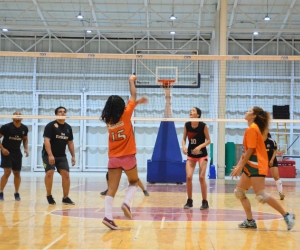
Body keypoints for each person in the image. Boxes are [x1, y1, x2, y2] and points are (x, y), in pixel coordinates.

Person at [230, 106, 295, 230]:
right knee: (239, 192)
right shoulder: (252, 129)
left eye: (248, 111)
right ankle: (250, 221)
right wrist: (240, 164)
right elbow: (246, 151)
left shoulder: (253, 129)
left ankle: (287, 215)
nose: (246, 112)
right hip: (250, 164)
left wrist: (241, 165)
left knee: (261, 195)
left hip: (256, 164)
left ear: (254, 116)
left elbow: (251, 150)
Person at [101, 74, 148, 230]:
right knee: (134, 181)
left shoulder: (108, 121)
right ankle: (127, 203)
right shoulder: (126, 114)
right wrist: (131, 80)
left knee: (111, 189)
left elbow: (133, 100)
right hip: (127, 156)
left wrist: (136, 102)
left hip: (113, 158)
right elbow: (133, 95)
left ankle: (108, 216)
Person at [42, 106, 76, 205]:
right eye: (60, 111)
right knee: (50, 173)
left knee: (66, 175)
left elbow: (70, 143)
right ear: (56, 114)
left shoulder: (68, 128)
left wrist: (73, 156)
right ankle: (49, 195)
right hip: (48, 154)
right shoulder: (50, 126)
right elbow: (46, 140)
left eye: (64, 112)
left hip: (61, 155)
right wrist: (50, 155)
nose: (62, 113)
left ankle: (65, 197)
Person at [182, 107, 211, 210]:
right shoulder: (187, 125)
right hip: (191, 154)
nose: (191, 111)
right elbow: (184, 139)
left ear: (198, 115)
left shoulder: (203, 126)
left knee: (201, 177)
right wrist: (184, 146)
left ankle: (205, 201)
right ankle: (189, 201)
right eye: (190, 110)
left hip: (202, 154)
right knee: (189, 177)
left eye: (193, 110)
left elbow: (208, 140)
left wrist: (199, 146)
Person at [0, 111, 29, 201]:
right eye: (16, 114)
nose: (18, 115)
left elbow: (25, 139)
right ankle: (0, 192)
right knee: (7, 172)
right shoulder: (6, 127)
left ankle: (16, 193)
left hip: (17, 152)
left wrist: (26, 148)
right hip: (6, 152)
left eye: (20, 114)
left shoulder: (24, 128)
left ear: (22, 117)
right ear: (12, 117)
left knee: (17, 173)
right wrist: (2, 149)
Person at [264, 132, 285, 200]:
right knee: (260, 176)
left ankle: (281, 192)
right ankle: (260, 193)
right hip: (263, 160)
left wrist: (271, 160)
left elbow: (275, 151)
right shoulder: (259, 141)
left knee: (275, 176)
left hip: (272, 160)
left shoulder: (271, 141)